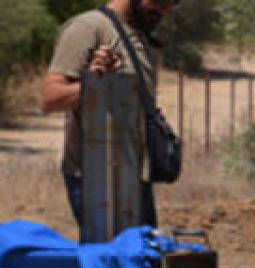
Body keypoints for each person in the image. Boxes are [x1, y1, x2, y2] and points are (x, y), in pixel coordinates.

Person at [40, 0, 178, 230]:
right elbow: (50, 98)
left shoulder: (141, 35)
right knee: (111, 261)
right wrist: (94, 85)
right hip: (97, 180)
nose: (163, 11)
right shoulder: (88, 28)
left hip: (135, 175)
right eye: (158, 1)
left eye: (172, 4)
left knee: (140, 259)